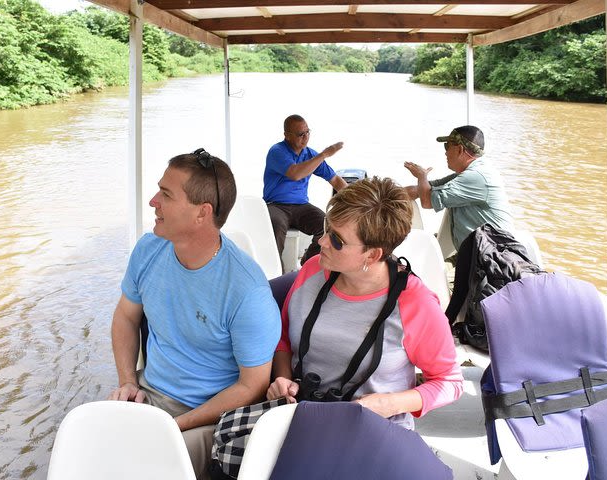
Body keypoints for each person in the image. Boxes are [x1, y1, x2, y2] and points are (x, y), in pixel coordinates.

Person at [109, 148, 281, 479]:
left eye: (166, 195)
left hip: (206, 416)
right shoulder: (148, 249)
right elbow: (126, 316)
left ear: (202, 213)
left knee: (142, 468)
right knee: (89, 445)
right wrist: (128, 381)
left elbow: (252, 387)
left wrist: (175, 425)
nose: (153, 201)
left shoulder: (248, 293)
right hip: (149, 392)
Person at [266, 177, 463, 429]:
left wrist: (388, 404)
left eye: (337, 240)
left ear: (373, 254)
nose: (321, 242)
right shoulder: (313, 270)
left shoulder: (416, 303)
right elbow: (282, 337)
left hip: (373, 430)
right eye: (327, 228)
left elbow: (449, 382)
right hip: (301, 415)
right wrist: (283, 379)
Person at [404, 125, 514, 254]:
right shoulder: (468, 174)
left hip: (494, 257)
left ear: (460, 149)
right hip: (479, 250)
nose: (445, 152)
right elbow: (424, 189)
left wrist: (422, 176)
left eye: (447, 146)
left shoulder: (476, 176)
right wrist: (385, 193)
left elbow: (427, 201)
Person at [263, 114, 348, 266]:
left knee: (327, 225)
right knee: (275, 228)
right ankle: (276, 274)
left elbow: (335, 180)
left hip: (301, 206)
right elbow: (295, 173)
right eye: (300, 134)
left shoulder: (310, 155)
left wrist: (358, 197)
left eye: (308, 132)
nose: (306, 137)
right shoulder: (277, 151)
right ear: (287, 135)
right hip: (276, 205)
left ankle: (308, 263)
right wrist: (324, 154)